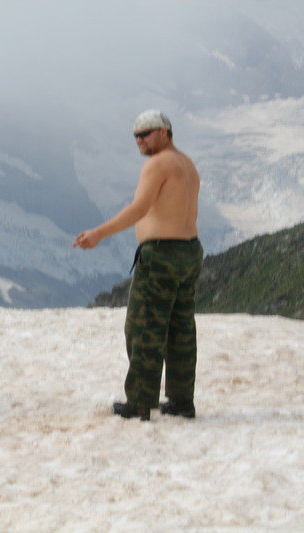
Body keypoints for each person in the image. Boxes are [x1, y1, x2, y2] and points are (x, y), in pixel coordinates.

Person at [73, 110, 203, 421]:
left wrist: (98, 233)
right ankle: (181, 400)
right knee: (180, 328)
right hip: (189, 250)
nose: (139, 140)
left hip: (161, 253)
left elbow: (139, 208)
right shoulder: (187, 163)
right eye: (136, 135)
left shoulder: (157, 164)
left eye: (145, 133)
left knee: (144, 326)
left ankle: (140, 402)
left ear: (164, 132)